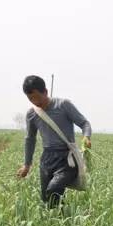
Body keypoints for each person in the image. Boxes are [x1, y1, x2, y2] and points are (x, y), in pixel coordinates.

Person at [17, 75, 92, 208]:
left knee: (53, 189)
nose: (35, 102)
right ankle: (60, 223)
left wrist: (86, 136)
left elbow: (84, 123)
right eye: (30, 99)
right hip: (47, 159)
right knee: (47, 199)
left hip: (67, 159)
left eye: (37, 97)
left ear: (45, 92)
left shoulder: (63, 105)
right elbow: (30, 139)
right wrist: (27, 165)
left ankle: (63, 219)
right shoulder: (32, 114)